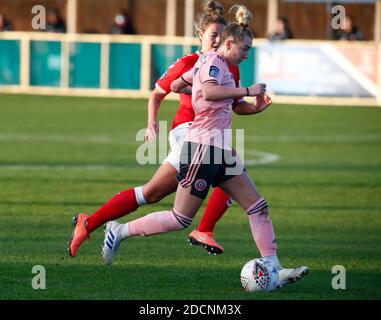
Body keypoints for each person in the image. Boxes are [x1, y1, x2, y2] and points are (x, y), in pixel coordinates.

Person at [102, 5, 309, 289]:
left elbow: (179, 84)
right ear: (228, 43)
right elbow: (210, 91)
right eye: (245, 48)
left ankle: (274, 267)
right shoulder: (213, 63)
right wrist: (244, 90)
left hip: (220, 151)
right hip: (200, 149)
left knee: (258, 206)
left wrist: (254, 105)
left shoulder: (222, 66)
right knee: (179, 219)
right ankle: (119, 231)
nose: (247, 55)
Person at [69, 0, 243, 258]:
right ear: (201, 36)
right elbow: (158, 93)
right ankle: (205, 230)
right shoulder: (189, 63)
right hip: (188, 132)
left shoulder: (231, 67)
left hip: (206, 137)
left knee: (150, 193)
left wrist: (256, 101)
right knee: (231, 165)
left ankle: (93, 223)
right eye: (212, 35)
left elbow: (235, 104)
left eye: (221, 35)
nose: (217, 41)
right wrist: (151, 122)